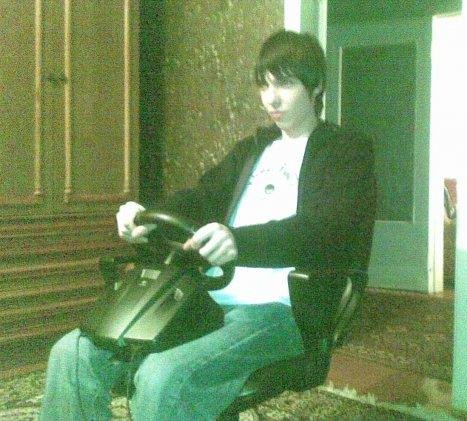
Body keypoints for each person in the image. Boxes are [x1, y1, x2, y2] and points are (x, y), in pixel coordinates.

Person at [40, 29, 377, 420]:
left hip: (280, 311)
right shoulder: (253, 150)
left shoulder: (345, 150)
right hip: (207, 296)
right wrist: (146, 215)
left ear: (316, 86)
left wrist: (238, 242)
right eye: (264, 85)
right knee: (72, 353)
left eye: (285, 84)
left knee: (162, 377)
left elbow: (324, 230)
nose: (271, 98)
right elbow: (200, 199)